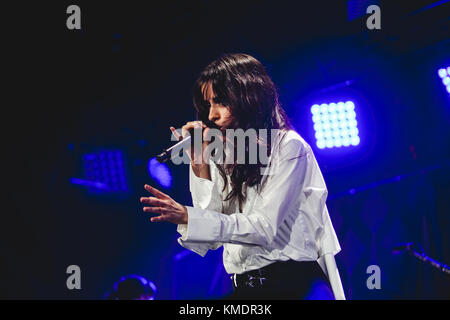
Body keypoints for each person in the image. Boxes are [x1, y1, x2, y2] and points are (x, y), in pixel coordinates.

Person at [140, 53, 345, 299]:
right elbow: (209, 235)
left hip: (292, 283)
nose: (211, 115)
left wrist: (188, 215)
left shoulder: (288, 147)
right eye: (207, 106)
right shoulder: (221, 154)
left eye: (220, 102)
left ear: (250, 99)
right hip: (246, 286)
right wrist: (199, 163)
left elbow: (264, 227)